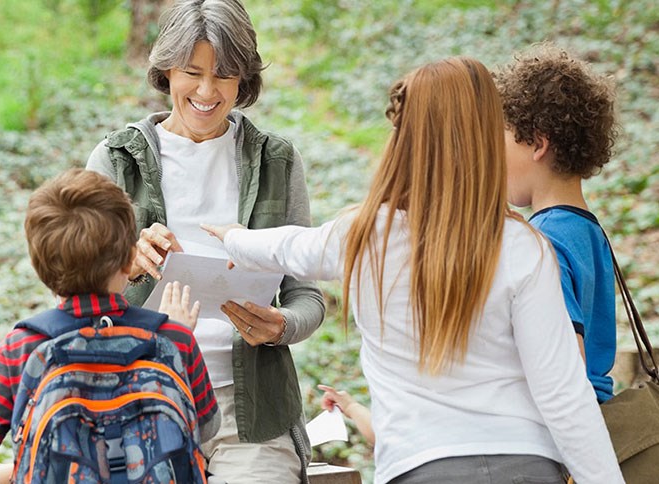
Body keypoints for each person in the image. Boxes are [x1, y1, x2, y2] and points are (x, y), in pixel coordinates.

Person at [202, 58, 624, 483]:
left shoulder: (366, 236)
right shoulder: (524, 247)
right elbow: (563, 394)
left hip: (420, 466)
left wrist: (233, 236)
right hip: (526, 464)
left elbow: (288, 247)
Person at [86, 1, 325, 482]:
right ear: (166, 70)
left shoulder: (277, 161)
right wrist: (126, 263)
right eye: (191, 72)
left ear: (245, 80)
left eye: (226, 75)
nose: (207, 91)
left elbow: (307, 295)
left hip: (250, 410)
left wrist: (281, 325)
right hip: (138, 396)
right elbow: (76, 294)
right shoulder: (117, 159)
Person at [0, 168, 219, 483]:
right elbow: (207, 428)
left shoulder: (18, 348)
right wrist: (177, 338)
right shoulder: (174, 337)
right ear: (131, 259)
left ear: (39, 266)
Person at [495, 42, 619, 403]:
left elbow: (567, 366)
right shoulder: (587, 230)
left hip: (569, 434)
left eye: (500, 138)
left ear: (537, 144)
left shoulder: (546, 241)